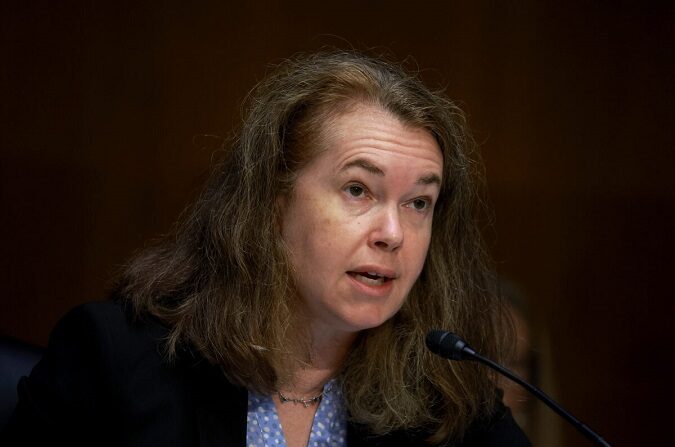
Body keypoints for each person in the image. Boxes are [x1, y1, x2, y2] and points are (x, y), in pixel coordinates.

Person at [1, 50, 530, 446]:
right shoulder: (113, 360)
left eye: (419, 203)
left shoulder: (454, 406)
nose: (392, 233)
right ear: (273, 203)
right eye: (357, 190)